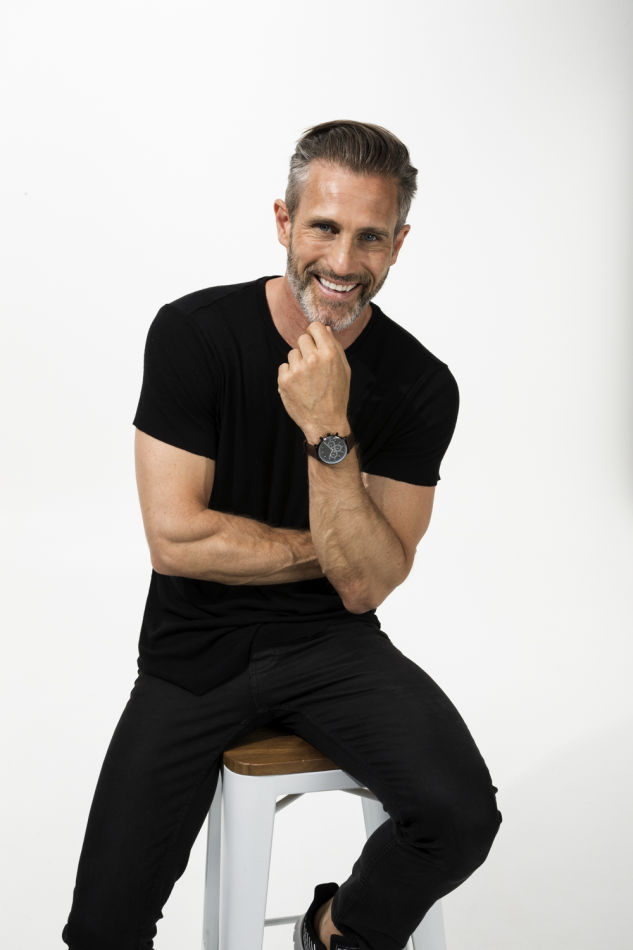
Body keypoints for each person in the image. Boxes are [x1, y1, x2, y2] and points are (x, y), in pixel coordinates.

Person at [61, 120, 502, 950]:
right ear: (283, 221)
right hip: (192, 649)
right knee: (102, 930)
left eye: (370, 237)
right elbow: (177, 542)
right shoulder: (194, 333)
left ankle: (332, 928)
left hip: (332, 646)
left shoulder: (420, 384)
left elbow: (363, 589)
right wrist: (331, 551)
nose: (342, 261)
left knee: (458, 817)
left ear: (398, 243)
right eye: (323, 228)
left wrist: (327, 427)